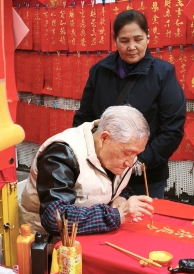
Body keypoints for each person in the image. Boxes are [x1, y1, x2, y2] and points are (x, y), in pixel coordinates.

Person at [73, 10, 186, 199]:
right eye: (124, 40)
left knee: (142, 216)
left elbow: (172, 128)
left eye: (138, 39)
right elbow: (84, 118)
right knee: (102, 215)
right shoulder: (99, 71)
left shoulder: (163, 73)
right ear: (115, 40)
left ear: (148, 38)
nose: (131, 47)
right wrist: (89, 155)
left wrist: (137, 161)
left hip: (144, 176)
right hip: (102, 173)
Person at [19, 105, 154, 236]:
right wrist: (118, 214)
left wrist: (120, 199)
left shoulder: (118, 151)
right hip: (45, 240)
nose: (130, 163)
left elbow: (112, 185)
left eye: (136, 154)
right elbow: (56, 218)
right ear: (104, 138)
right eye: (127, 153)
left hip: (88, 235)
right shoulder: (62, 153)